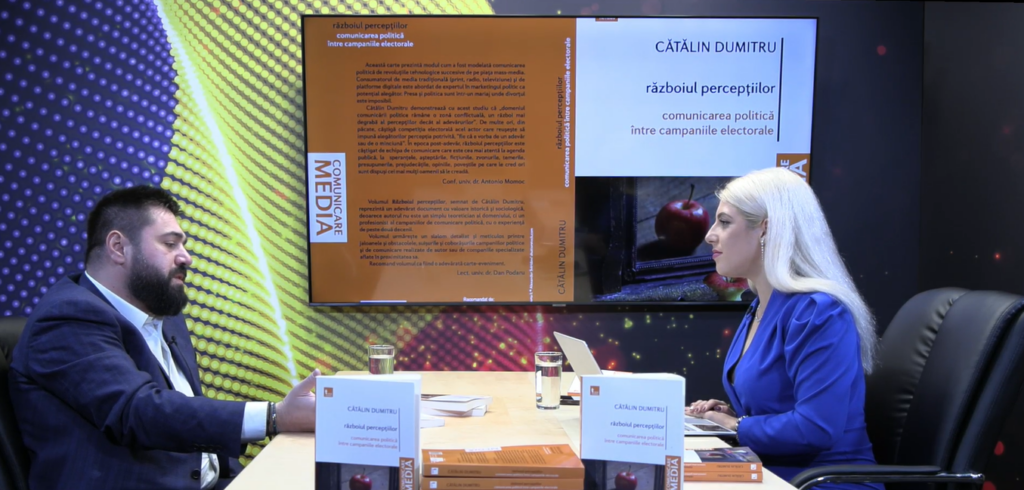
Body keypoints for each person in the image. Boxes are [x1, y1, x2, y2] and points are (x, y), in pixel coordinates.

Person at [9, 186, 321, 490]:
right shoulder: (67, 318)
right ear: (118, 247)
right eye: (170, 244)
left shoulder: (165, 312)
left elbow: (188, 418)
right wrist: (273, 417)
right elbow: (137, 412)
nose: (186, 258)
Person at [685, 168, 883, 490]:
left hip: (819, 482)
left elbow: (816, 428)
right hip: (774, 473)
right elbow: (780, 405)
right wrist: (728, 413)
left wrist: (736, 425)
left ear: (766, 229)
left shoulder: (820, 312)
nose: (710, 235)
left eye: (724, 222)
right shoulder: (760, 306)